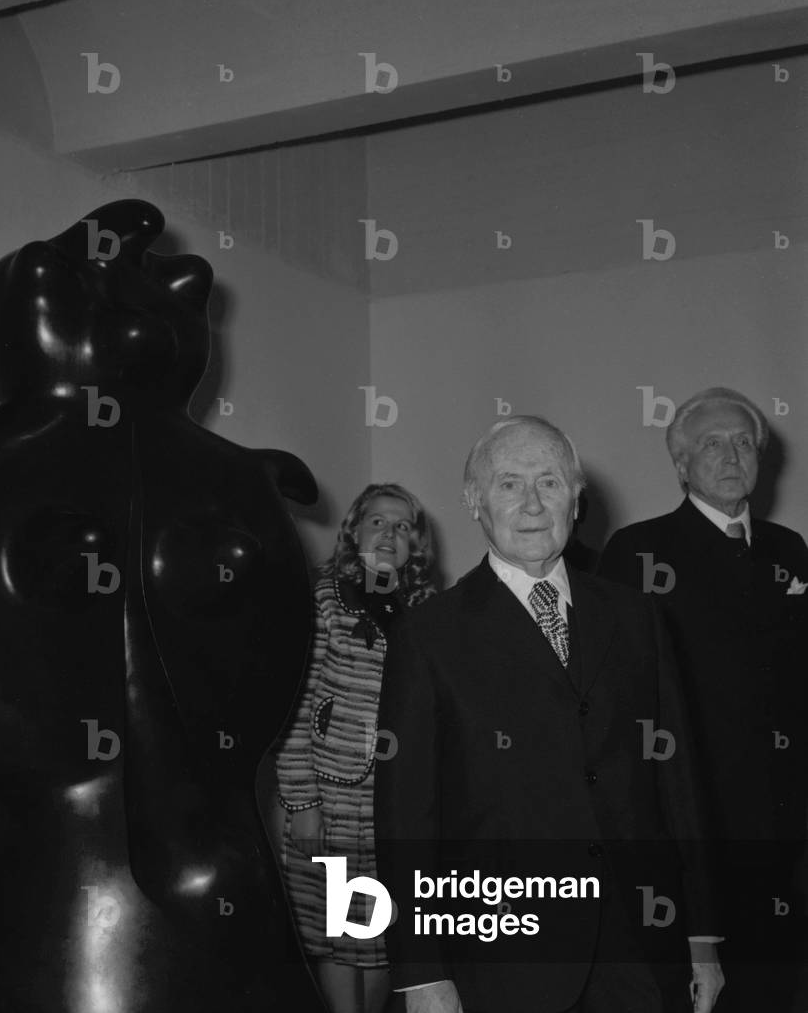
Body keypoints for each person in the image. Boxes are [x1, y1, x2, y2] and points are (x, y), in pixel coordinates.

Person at [374, 416, 723, 1013]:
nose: (533, 503)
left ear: (576, 498)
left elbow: (679, 785)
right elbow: (406, 816)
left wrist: (702, 937)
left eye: (551, 483)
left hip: (637, 951)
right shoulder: (429, 636)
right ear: (474, 503)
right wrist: (421, 974)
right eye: (509, 484)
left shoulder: (637, 617)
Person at [598, 387, 808, 1011]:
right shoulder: (638, 550)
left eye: (743, 442)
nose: (730, 455)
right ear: (682, 463)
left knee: (777, 980)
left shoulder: (789, 549)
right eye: (711, 444)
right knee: (699, 992)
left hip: (785, 817)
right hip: (692, 817)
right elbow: (617, 693)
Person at [276, 483, 437, 1013]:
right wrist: (303, 806)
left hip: (399, 806)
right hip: (333, 802)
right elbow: (295, 709)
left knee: (386, 938)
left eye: (401, 526)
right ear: (353, 531)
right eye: (376, 522)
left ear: (416, 542)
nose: (388, 534)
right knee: (340, 939)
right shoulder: (322, 598)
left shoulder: (431, 609)